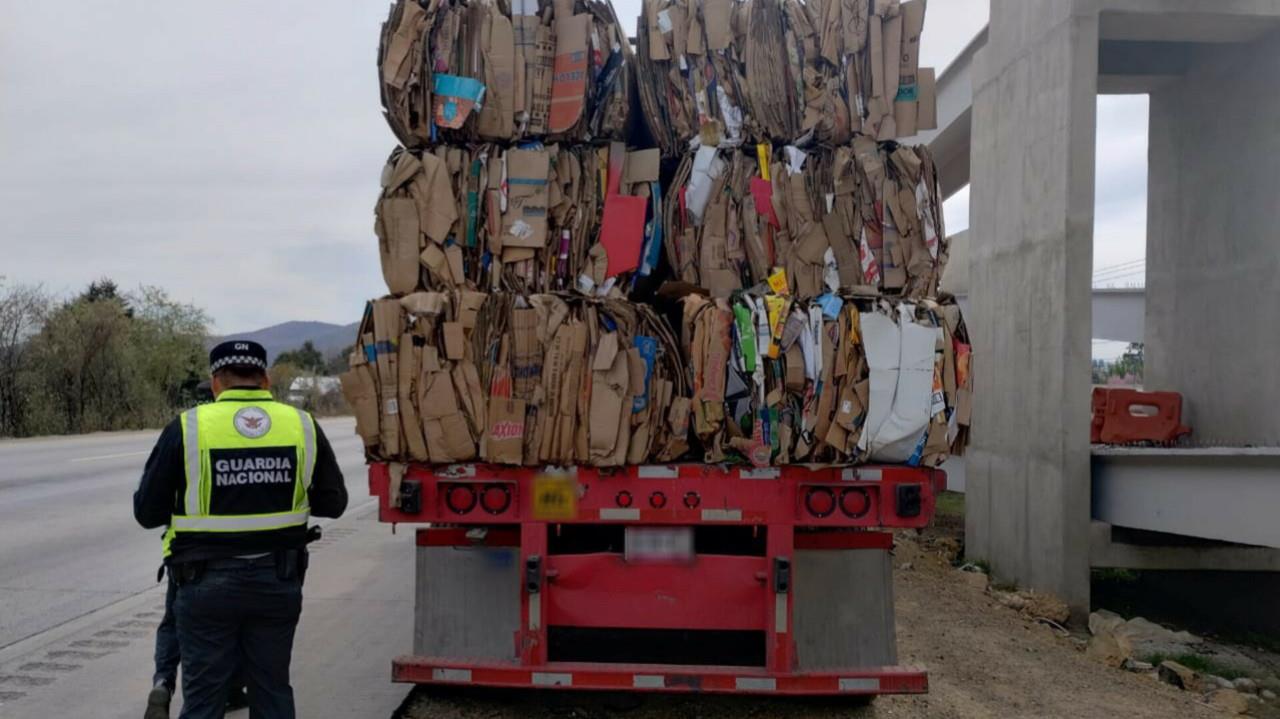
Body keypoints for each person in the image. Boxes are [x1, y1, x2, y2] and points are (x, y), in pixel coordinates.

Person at [135, 340, 348, 719]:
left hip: (204, 586)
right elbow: (334, 503)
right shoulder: (302, 424)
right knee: (272, 690)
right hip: (277, 582)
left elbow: (147, 513)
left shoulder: (186, 428)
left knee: (203, 699)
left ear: (216, 382)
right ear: (265, 380)